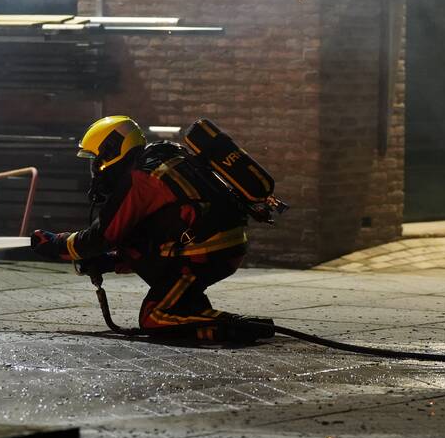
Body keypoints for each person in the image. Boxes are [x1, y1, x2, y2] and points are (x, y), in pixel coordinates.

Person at [31, 115, 274, 343]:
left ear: (111, 151)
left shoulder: (140, 178)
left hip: (203, 255)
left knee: (154, 318)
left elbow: (101, 236)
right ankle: (199, 311)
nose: (95, 169)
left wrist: (55, 244)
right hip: (217, 247)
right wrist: (109, 262)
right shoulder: (163, 158)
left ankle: (231, 328)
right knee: (178, 306)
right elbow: (142, 237)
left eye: (96, 159)